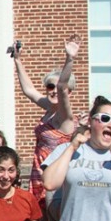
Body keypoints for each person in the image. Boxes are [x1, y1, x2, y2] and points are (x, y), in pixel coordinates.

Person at [13, 36, 79, 203]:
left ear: (69, 93)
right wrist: (18, 60)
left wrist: (69, 58)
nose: (54, 91)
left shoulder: (65, 117)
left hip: (55, 178)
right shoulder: (49, 108)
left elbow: (62, 88)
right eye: (50, 86)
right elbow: (29, 90)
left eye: (57, 87)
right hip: (38, 174)